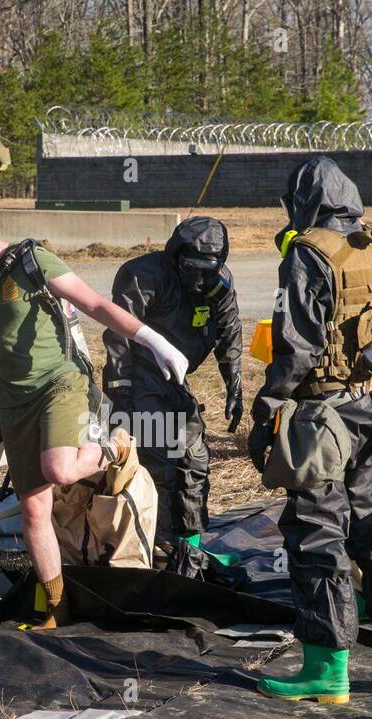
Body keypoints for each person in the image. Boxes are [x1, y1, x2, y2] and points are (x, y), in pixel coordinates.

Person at [0, 196, 188, 628]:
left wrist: (153, 340)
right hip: (16, 401)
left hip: (61, 383)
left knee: (61, 470)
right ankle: (57, 607)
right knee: (35, 510)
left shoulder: (31, 260)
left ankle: (116, 444)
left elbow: (95, 305)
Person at [248, 156, 372, 704]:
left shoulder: (308, 254)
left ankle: (326, 671)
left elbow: (296, 346)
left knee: (315, 532)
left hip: (324, 418)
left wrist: (269, 407)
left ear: (301, 204)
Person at [105, 216, 243, 558]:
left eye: (206, 270)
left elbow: (229, 332)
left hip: (178, 379)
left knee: (194, 458)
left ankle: (191, 543)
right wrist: (121, 395)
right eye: (191, 268)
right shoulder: (144, 275)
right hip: (141, 377)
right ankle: (156, 544)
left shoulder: (217, 285)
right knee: (160, 461)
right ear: (176, 257)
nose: (198, 279)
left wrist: (235, 384)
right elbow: (118, 331)